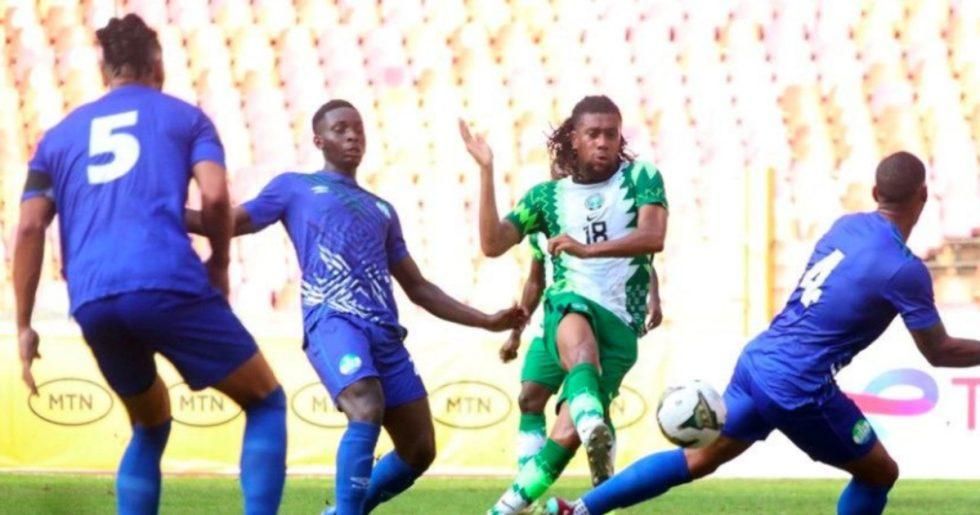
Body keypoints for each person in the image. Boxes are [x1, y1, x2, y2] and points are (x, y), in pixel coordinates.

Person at [546, 151, 980, 515]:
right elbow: (939, 351)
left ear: (874, 193)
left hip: (759, 361)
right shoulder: (904, 269)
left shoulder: (846, 226)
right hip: (800, 386)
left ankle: (578, 510)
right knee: (880, 473)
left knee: (697, 459)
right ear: (924, 195)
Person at [188, 99, 526, 515]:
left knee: (419, 449)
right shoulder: (294, 187)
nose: (352, 136)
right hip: (333, 321)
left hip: (384, 333)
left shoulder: (382, 209)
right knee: (366, 406)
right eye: (340, 129)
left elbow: (419, 288)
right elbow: (230, 222)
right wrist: (162, 212)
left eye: (358, 129)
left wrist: (486, 320)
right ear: (318, 140)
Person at [13, 14, 286, 515]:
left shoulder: (56, 138)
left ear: (105, 70)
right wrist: (220, 264)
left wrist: (24, 325)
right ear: (158, 64)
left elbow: (29, 227)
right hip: (166, 281)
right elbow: (215, 195)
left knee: (149, 423)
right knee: (266, 401)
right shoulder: (187, 119)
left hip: (92, 297)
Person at [460, 95, 669, 514]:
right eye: (593, 134)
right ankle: (592, 422)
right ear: (574, 138)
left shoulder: (641, 177)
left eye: (611, 134)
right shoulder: (546, 197)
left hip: (621, 322)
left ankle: (516, 503)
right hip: (567, 306)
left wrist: (593, 253)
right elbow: (493, 244)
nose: (603, 142)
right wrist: (486, 171)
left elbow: (652, 237)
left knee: (564, 435)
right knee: (548, 376)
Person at [505, 234, 663, 472]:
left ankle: (604, 481)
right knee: (529, 398)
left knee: (595, 404)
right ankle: (525, 477)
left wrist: (653, 298)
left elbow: (641, 255)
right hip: (554, 317)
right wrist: (515, 333)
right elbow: (535, 282)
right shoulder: (540, 228)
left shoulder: (601, 218)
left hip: (602, 316)